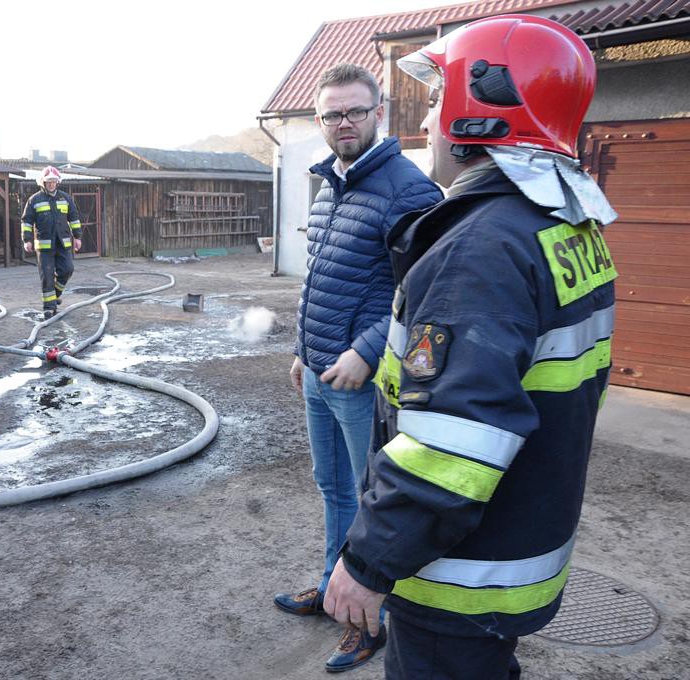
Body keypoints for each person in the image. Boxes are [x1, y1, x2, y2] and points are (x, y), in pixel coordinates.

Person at [322, 15, 617, 679]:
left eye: (434, 101)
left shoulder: (480, 250)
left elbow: (452, 443)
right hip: (518, 540)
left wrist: (367, 564)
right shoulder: (564, 224)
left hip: (459, 571)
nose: (425, 123)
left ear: (478, 110)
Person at [274, 62, 442, 673]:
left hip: (362, 379)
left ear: (379, 114)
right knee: (334, 488)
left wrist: (367, 351)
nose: (343, 122)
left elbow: (423, 293)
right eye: (332, 114)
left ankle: (372, 620)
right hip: (320, 369)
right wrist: (301, 348)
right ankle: (332, 590)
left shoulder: (409, 191)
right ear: (320, 121)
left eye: (354, 111)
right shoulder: (329, 185)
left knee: (375, 503)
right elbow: (318, 281)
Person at [21, 166, 82, 319]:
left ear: (58, 182)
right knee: (47, 276)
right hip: (44, 246)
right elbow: (26, 221)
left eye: (54, 181)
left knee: (67, 269)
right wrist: (27, 240)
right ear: (43, 182)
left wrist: (78, 237)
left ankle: (55, 296)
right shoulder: (34, 200)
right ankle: (49, 308)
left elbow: (74, 218)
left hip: (63, 244)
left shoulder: (65, 198)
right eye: (49, 182)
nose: (51, 184)